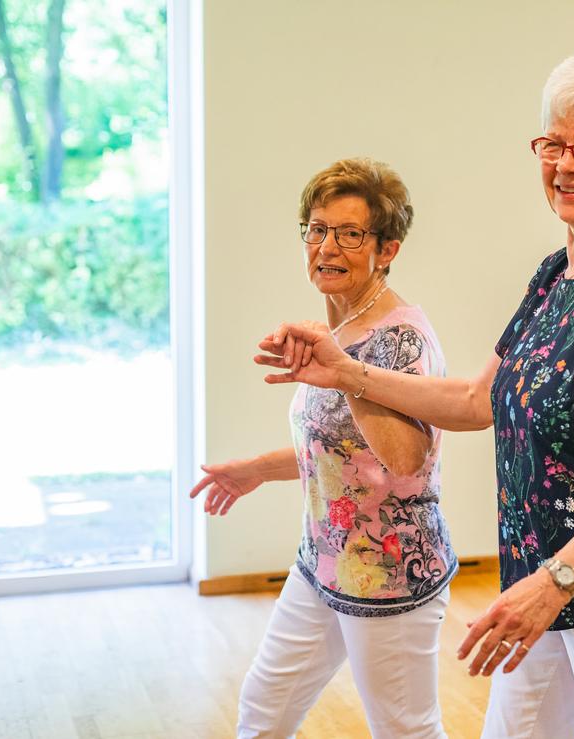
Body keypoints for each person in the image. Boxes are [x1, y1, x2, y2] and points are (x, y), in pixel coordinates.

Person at [258, 48, 574, 738]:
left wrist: (555, 581)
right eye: (553, 143)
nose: (566, 165)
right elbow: (479, 400)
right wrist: (346, 371)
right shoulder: (555, 272)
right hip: (543, 580)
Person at [191, 158, 457, 738]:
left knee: (406, 729)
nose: (327, 246)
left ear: (386, 250)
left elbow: (407, 461)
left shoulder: (401, 339)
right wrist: (258, 469)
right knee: (264, 705)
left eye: (349, 233)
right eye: (316, 229)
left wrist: (343, 376)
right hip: (324, 563)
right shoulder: (337, 329)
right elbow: (344, 452)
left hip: (391, 575)